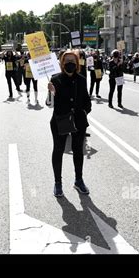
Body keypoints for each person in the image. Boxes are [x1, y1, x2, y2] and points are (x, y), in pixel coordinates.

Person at [47, 50, 92, 197]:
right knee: (58, 150)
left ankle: (79, 181)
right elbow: (48, 104)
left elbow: (86, 100)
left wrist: (84, 111)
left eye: (72, 61)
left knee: (78, 150)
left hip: (78, 120)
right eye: (66, 61)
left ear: (77, 63)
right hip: (60, 120)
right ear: (61, 63)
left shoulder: (81, 79)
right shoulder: (55, 79)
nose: (69, 64)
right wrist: (51, 92)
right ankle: (57, 183)